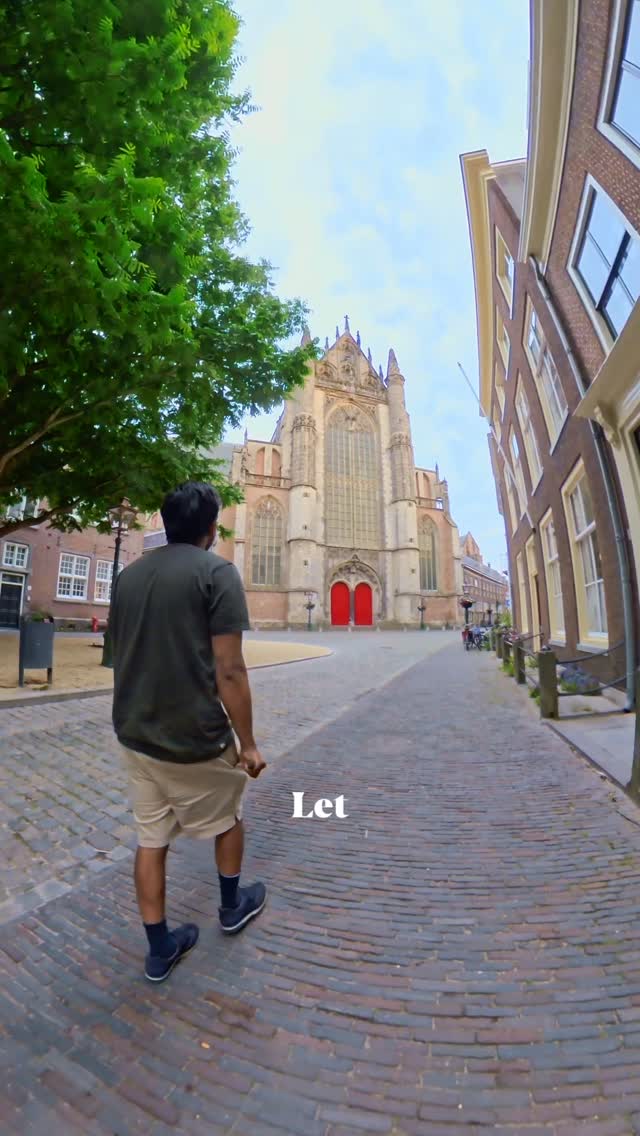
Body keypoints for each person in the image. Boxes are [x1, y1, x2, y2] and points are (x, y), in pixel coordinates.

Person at [110, 481, 267, 983]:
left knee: (151, 838)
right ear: (210, 528)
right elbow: (230, 671)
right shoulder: (217, 573)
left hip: (135, 733)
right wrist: (248, 744)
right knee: (228, 817)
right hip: (195, 735)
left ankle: (160, 949)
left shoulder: (128, 577)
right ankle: (230, 905)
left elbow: (120, 655)